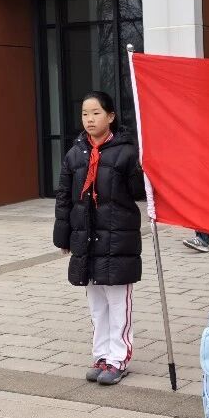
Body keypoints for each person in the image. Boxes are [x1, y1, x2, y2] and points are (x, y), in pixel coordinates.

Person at [53, 91, 145, 386]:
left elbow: (139, 192)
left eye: (96, 113)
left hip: (118, 239)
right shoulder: (75, 154)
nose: (90, 119)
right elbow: (64, 197)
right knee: (97, 304)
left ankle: (118, 359)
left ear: (111, 116)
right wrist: (64, 236)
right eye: (85, 114)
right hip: (87, 240)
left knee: (118, 303)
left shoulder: (126, 152)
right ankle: (102, 355)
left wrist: (143, 168)